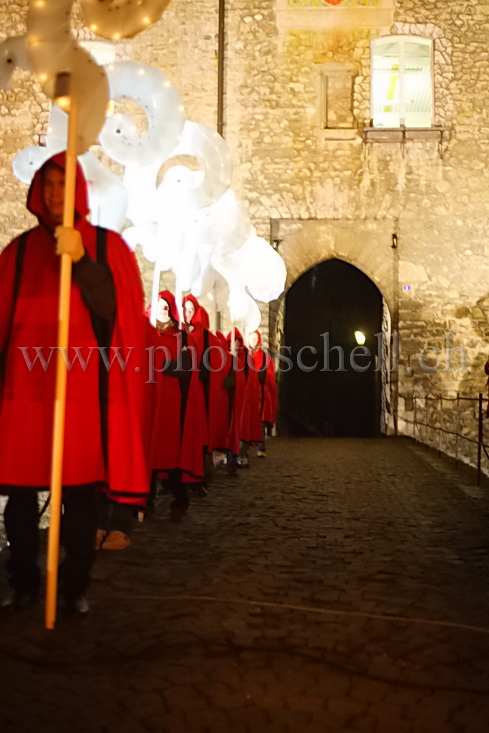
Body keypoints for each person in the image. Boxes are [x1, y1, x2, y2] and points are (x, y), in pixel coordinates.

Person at [0, 153, 150, 613]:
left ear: (78, 190)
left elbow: (111, 310)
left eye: (63, 183)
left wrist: (82, 260)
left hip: (83, 391)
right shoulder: (19, 252)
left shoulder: (106, 248)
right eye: (47, 183)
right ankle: (24, 581)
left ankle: (71, 588)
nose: (52, 192)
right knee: (21, 496)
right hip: (25, 391)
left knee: (80, 496)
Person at [148, 291, 205, 521]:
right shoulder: (147, 333)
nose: (162, 308)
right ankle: (146, 501)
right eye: (158, 304)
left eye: (166, 305)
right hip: (151, 401)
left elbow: (185, 369)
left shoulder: (183, 337)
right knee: (149, 452)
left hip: (173, 404)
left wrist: (160, 364)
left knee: (172, 451)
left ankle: (180, 497)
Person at [249, 330, 277, 457]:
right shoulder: (246, 354)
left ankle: (261, 448)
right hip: (249, 393)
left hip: (261, 393)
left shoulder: (264, 357)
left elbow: (269, 378)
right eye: (251, 338)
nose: (253, 341)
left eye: (255, 338)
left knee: (260, 422)